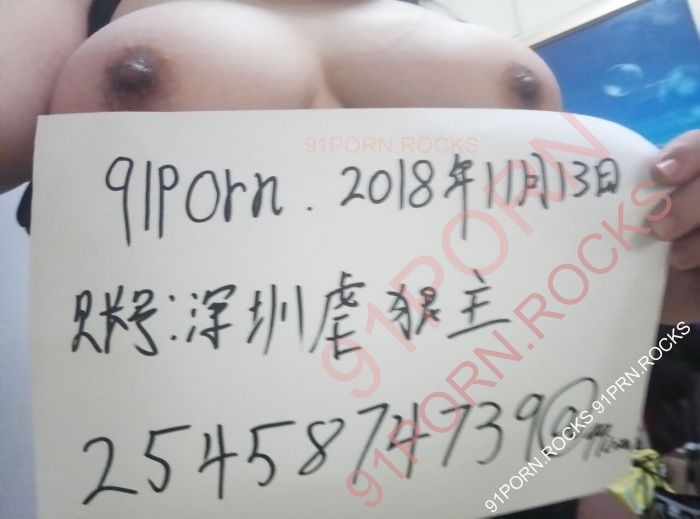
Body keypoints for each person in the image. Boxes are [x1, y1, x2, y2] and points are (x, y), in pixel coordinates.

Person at [0, 0, 697, 517]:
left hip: (520, 470)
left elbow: (553, 276)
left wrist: (669, 254)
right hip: (196, 477)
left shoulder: (445, 19)